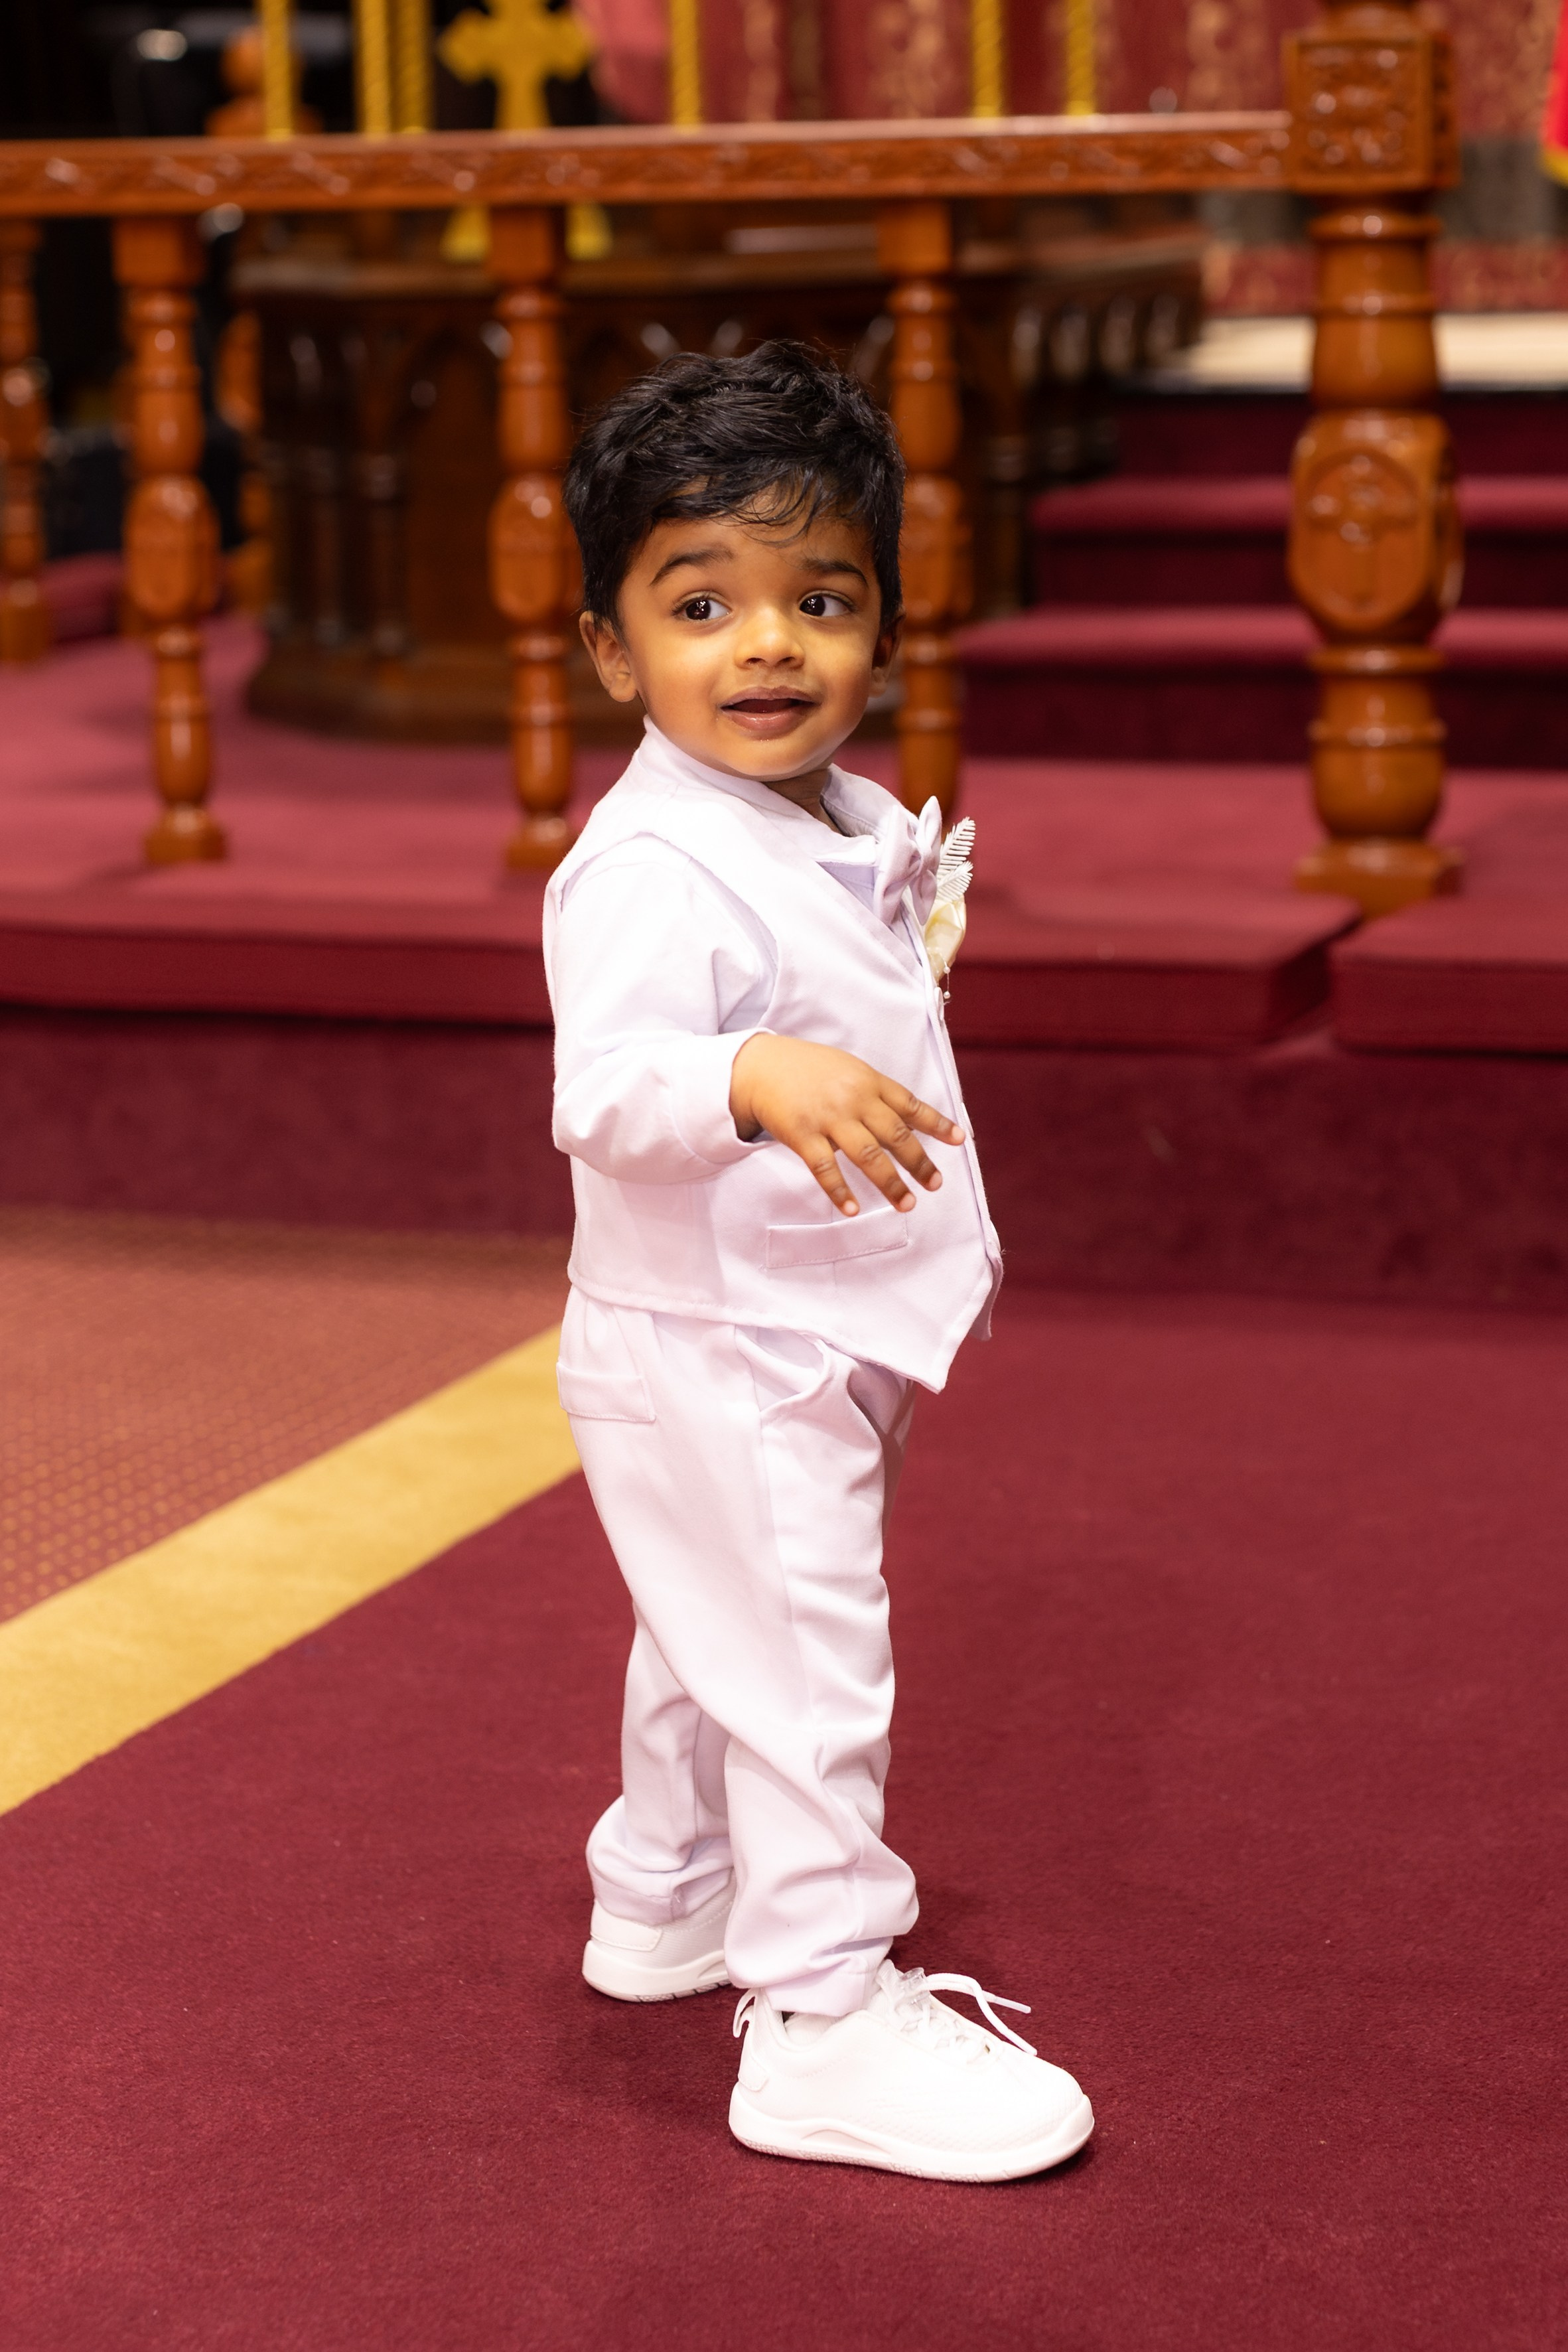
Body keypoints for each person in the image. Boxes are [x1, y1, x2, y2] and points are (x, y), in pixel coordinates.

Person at [546, 342, 1093, 2182]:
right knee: (800, 1658)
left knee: (716, 1627)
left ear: (883, 626)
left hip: (817, 1315)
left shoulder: (836, 814)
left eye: (822, 600)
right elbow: (603, 1087)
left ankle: (667, 1893)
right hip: (725, 1335)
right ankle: (821, 2011)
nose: (767, 645)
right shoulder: (648, 866)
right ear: (614, 650)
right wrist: (748, 1075)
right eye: (701, 605)